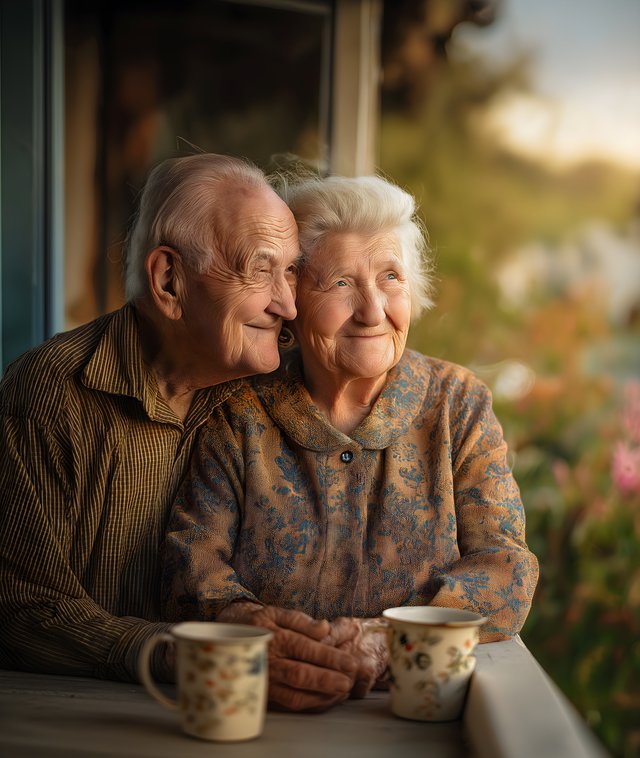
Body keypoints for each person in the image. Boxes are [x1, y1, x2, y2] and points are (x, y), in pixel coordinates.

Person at [162, 174, 539, 711]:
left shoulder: (457, 404)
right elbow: (189, 567)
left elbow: (507, 568)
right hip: (265, 712)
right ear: (291, 297)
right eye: (340, 283)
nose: (372, 309)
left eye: (390, 277)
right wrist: (263, 638)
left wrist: (386, 640)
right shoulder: (239, 410)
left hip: (420, 716)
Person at [0, 152, 327, 686]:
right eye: (260, 269)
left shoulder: (268, 389)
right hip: (75, 721)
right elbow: (18, 609)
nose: (287, 305)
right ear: (170, 280)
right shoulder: (49, 396)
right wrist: (170, 653)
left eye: (290, 270)